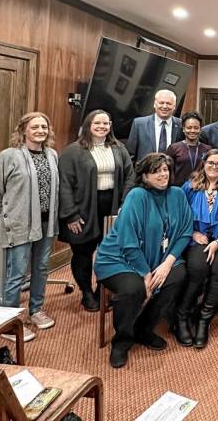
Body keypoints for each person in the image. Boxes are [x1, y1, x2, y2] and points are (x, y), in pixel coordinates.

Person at [94, 153, 193, 368]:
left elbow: (186, 231)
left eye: (165, 169)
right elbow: (128, 242)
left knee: (178, 275)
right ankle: (121, 341)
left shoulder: (177, 194)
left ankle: (143, 328)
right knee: (134, 289)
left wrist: (167, 264)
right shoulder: (137, 195)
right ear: (145, 176)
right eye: (156, 171)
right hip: (119, 258)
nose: (163, 174)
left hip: (160, 257)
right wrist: (146, 274)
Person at [0, 112, 60, 342]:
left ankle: (36, 309)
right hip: (18, 224)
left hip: (46, 223)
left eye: (44, 127)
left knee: (41, 267)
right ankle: (9, 323)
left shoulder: (52, 155)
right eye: (35, 127)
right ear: (23, 130)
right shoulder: (8, 156)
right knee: (15, 274)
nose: (40, 130)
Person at [58, 110, 135, 312]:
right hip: (83, 209)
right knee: (83, 252)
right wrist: (71, 215)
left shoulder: (119, 148)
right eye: (97, 123)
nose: (102, 127)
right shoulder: (73, 151)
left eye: (106, 123)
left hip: (112, 206)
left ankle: (103, 288)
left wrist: (124, 204)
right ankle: (86, 293)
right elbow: (64, 185)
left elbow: (130, 176)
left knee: (109, 251)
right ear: (88, 125)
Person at [175, 150, 218, 349]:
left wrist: (217, 243)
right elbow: (178, 214)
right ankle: (181, 316)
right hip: (197, 238)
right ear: (203, 163)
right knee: (198, 268)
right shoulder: (189, 187)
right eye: (211, 162)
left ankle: (203, 320)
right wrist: (191, 233)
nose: (214, 167)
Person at [126, 89, 184, 163]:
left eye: (169, 103)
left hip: (171, 173)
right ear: (154, 104)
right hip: (145, 173)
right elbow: (130, 155)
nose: (165, 106)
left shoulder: (181, 125)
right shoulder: (139, 124)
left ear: (174, 106)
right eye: (161, 103)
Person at [166, 111, 211, 186]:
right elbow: (168, 171)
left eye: (196, 128)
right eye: (189, 128)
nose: (192, 131)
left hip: (201, 190)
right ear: (183, 129)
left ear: (200, 129)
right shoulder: (174, 148)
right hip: (179, 190)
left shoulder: (208, 149)